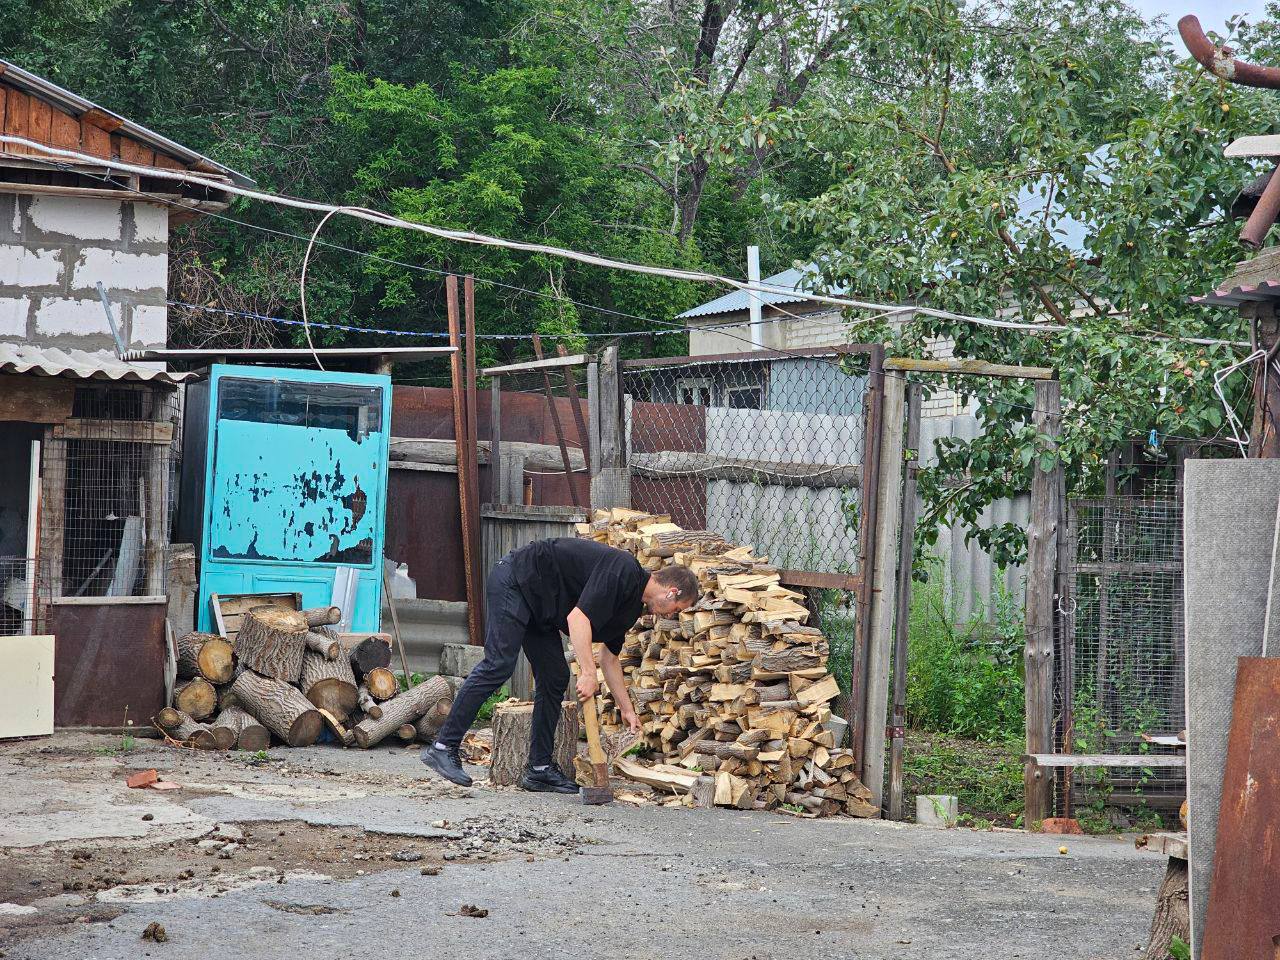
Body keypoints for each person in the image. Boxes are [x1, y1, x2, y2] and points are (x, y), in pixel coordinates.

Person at [421, 537, 700, 792]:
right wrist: (588, 673)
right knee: (499, 664)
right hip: (517, 580)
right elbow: (578, 619)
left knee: (555, 676)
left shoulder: (629, 609)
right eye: (677, 608)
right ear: (671, 593)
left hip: (541, 610)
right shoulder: (623, 569)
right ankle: (444, 746)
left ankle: (539, 769)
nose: (673, 615)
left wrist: (627, 709)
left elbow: (609, 657)